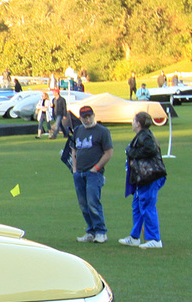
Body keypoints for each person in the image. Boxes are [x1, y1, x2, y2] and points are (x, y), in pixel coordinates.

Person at [67, 105, 113, 243]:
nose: (87, 120)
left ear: (93, 115)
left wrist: (96, 168)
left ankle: (101, 231)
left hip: (94, 174)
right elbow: (74, 150)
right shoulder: (78, 130)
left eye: (89, 117)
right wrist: (75, 169)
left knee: (93, 201)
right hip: (79, 173)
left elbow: (109, 152)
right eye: (84, 117)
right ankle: (91, 231)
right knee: (83, 204)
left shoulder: (102, 131)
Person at [120, 111, 165, 249]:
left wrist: (131, 152)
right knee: (138, 205)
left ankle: (154, 239)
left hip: (149, 176)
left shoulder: (145, 136)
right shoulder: (143, 136)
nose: (132, 123)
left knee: (147, 205)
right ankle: (135, 236)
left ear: (138, 124)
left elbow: (150, 149)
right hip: (145, 177)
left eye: (134, 121)